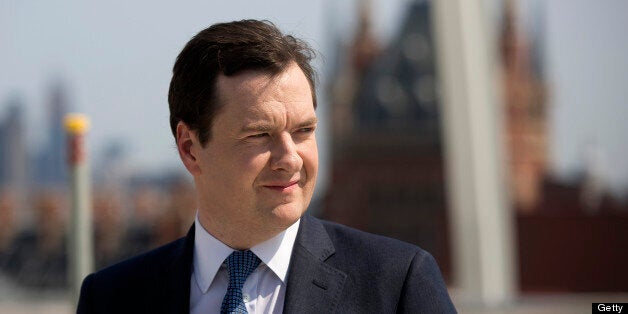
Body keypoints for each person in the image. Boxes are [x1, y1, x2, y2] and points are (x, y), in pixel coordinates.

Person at [77, 19, 456, 313]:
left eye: (303, 131)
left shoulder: (395, 285)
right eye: (259, 135)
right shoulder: (112, 299)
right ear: (190, 148)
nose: (290, 158)